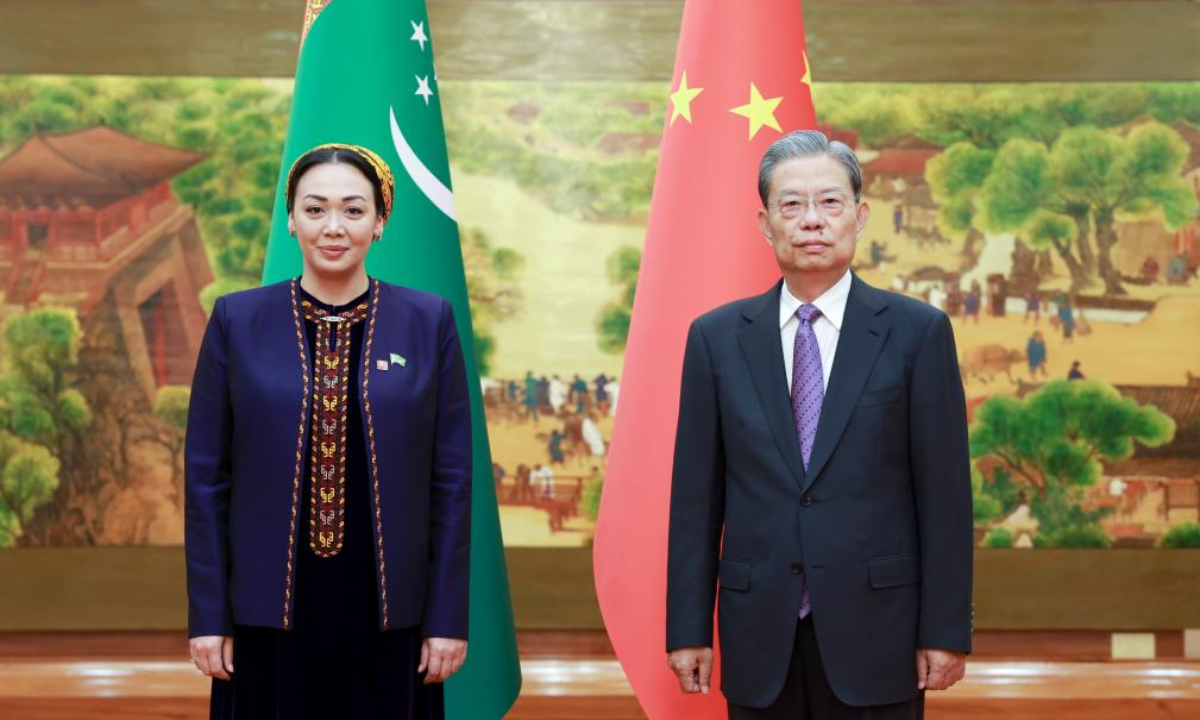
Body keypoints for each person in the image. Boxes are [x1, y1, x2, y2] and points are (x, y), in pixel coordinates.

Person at [666, 131, 973, 720]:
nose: (812, 220)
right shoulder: (717, 338)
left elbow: (945, 498)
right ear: (764, 223)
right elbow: (694, 501)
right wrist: (687, 627)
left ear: (860, 218)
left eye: (830, 203)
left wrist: (946, 628)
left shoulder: (917, 333)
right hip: (759, 633)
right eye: (791, 205)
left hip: (881, 633)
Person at [186, 144, 471, 720]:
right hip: (266, 612)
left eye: (353, 210)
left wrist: (446, 619)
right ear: (290, 219)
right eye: (315, 210)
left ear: (380, 221)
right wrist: (210, 616)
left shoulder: (428, 321)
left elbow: (454, 482)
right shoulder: (237, 321)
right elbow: (205, 480)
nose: (333, 228)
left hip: (394, 616)